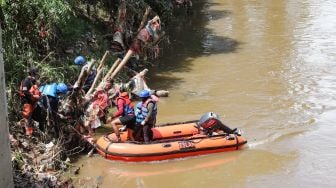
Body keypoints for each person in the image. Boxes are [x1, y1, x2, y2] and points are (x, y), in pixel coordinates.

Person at [19, 67, 41, 136]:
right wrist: (33, 96)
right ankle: (27, 133)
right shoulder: (26, 81)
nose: (36, 76)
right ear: (32, 73)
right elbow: (24, 91)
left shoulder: (32, 81)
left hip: (31, 102)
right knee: (27, 117)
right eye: (36, 74)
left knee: (30, 117)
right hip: (27, 102)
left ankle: (30, 132)